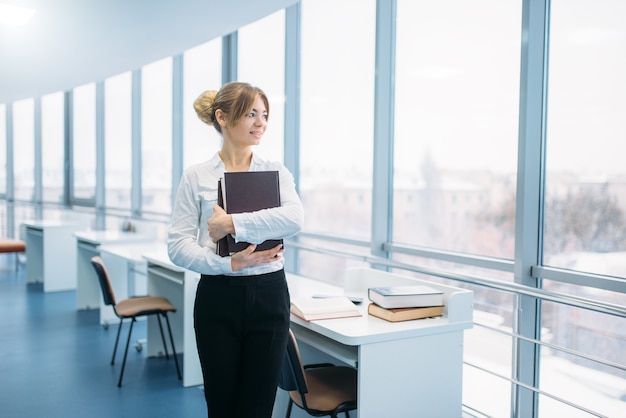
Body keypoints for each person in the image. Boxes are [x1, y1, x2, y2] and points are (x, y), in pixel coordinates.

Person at [167, 82, 304, 418]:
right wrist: (228, 263)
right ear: (222, 118)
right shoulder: (196, 176)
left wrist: (232, 224)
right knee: (222, 403)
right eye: (251, 114)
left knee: (257, 407)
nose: (261, 123)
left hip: (270, 296)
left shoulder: (274, 171)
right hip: (218, 296)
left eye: (265, 115)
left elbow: (294, 218)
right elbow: (177, 245)